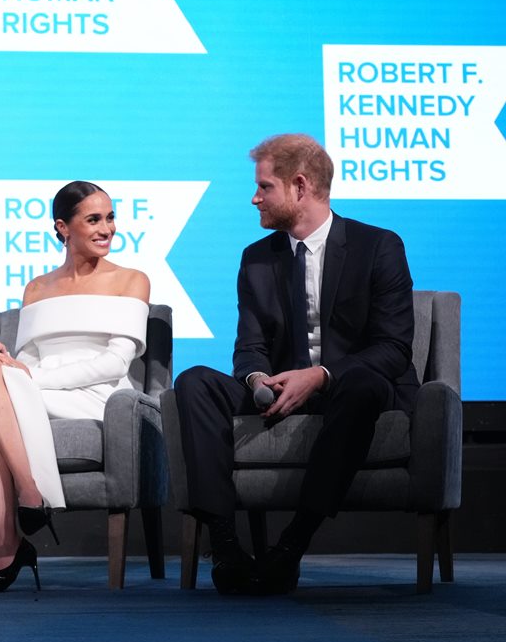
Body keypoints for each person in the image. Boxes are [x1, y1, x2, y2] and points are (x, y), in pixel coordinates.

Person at [174, 133, 418, 595]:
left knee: (362, 381)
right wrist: (256, 376)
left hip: (351, 391)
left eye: (264, 187)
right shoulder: (256, 258)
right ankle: (225, 545)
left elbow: (393, 349)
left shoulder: (378, 246)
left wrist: (321, 376)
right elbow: (249, 346)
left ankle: (292, 545)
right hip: (281, 389)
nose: (255, 197)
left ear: (300, 187)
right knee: (194, 382)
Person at [0, 181, 151, 592]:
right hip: (38, 391)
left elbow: (113, 363)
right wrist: (14, 365)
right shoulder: (37, 288)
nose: (107, 228)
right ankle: (20, 511)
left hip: (99, 396)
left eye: (110, 218)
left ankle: (17, 521)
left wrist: (28, 378)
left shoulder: (132, 280)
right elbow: (31, 361)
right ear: (63, 228)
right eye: (93, 219)